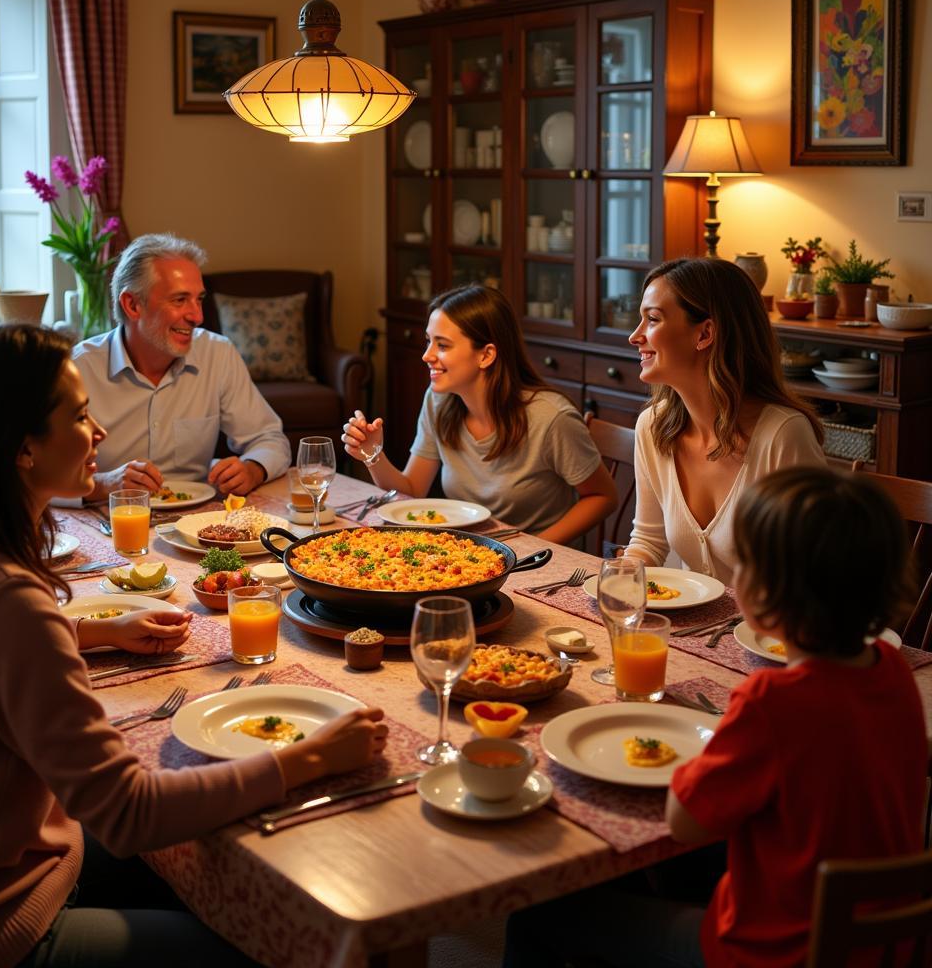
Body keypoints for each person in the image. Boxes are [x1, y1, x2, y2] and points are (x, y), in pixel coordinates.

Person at [0, 324, 387, 966]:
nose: (98, 433)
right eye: (80, 417)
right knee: (271, 939)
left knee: (208, 874)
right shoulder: (9, 604)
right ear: (23, 449)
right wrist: (312, 759)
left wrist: (92, 630)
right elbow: (128, 814)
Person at [504, 465, 927, 967]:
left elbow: (684, 824)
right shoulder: (894, 676)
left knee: (538, 913)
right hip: (879, 944)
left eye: (741, 563)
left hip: (771, 951)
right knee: (636, 876)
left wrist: (706, 748)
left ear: (769, 593)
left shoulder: (772, 701)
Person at [342, 285, 617, 544]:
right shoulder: (438, 401)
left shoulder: (550, 417)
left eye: (443, 345)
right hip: (469, 554)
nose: (426, 355)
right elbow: (412, 490)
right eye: (428, 342)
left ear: (486, 355)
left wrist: (537, 547)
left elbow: (603, 496)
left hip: (538, 563)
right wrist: (372, 454)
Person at [622, 258, 826, 584]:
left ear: (705, 333)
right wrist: (618, 582)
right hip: (695, 630)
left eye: (653, 320)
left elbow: (812, 575)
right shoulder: (653, 428)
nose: (635, 336)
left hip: (771, 633)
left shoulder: (783, 436)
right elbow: (648, 540)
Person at [72, 233, 290, 501]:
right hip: (109, 523)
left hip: (197, 525)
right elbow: (34, 475)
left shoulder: (217, 354)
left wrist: (252, 469)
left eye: (198, 299)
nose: (197, 316)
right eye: (179, 300)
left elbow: (270, 439)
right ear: (132, 305)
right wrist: (105, 485)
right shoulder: (77, 369)